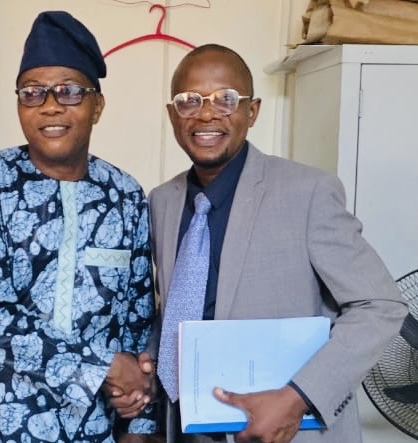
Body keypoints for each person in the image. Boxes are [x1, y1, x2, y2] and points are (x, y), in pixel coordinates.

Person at [123, 44, 408, 443]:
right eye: (190, 101)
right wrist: (152, 360)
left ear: (252, 111)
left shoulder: (307, 192)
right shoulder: (162, 201)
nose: (206, 114)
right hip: (185, 428)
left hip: (282, 430)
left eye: (225, 99)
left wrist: (298, 397)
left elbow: (380, 305)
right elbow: (180, 303)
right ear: (173, 114)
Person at [0, 10, 157, 443]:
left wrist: (139, 421)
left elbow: (137, 320)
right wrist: (103, 367)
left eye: (69, 91)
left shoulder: (125, 194)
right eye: (32, 92)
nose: (50, 105)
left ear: (97, 106)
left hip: (88, 428)